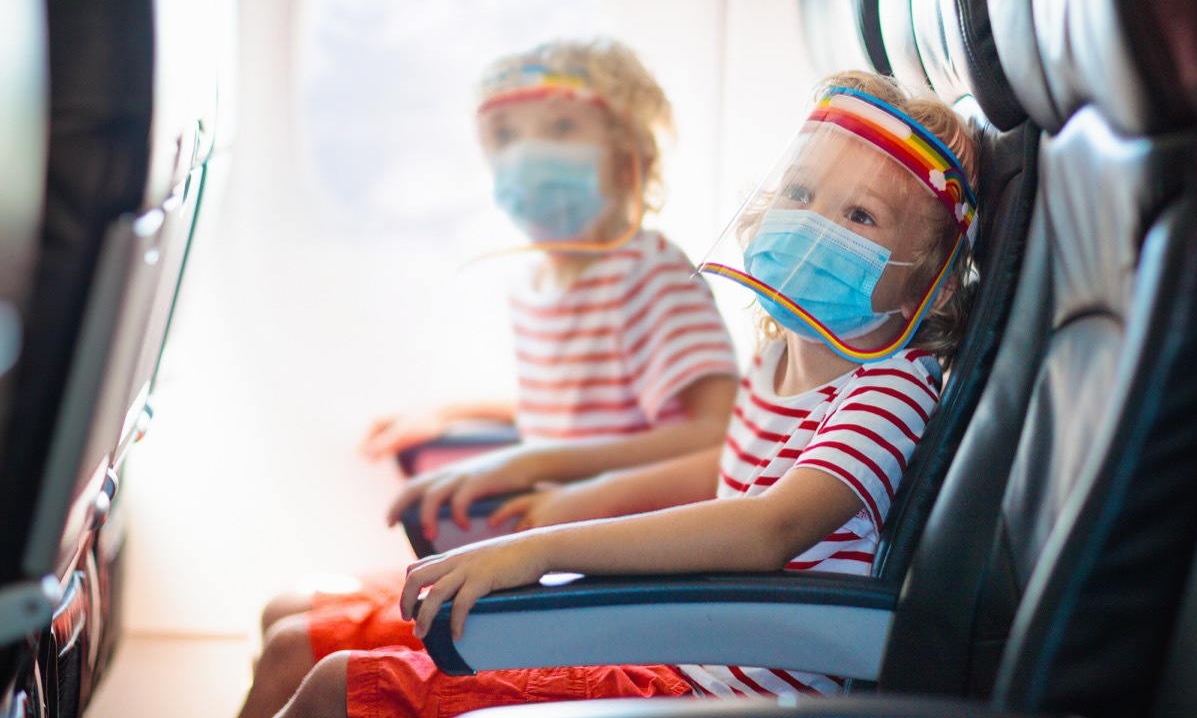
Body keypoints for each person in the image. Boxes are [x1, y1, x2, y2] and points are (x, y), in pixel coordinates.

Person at [264, 69, 984, 717]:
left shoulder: (889, 393)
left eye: (859, 217)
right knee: (297, 641)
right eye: (799, 194)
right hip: (669, 631)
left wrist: (541, 550)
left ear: (929, 277)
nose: (812, 224)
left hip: (709, 682)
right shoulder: (775, 357)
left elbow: (766, 529)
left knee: (335, 685)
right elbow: (722, 467)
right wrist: (564, 510)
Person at [235, 38, 741, 718]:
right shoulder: (541, 281)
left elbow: (718, 434)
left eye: (560, 127)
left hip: (616, 581)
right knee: (286, 614)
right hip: (553, 564)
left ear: (630, 157)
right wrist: (454, 415)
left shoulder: (651, 273)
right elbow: (584, 408)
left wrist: (540, 465)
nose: (527, 151)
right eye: (505, 136)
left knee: (301, 651)